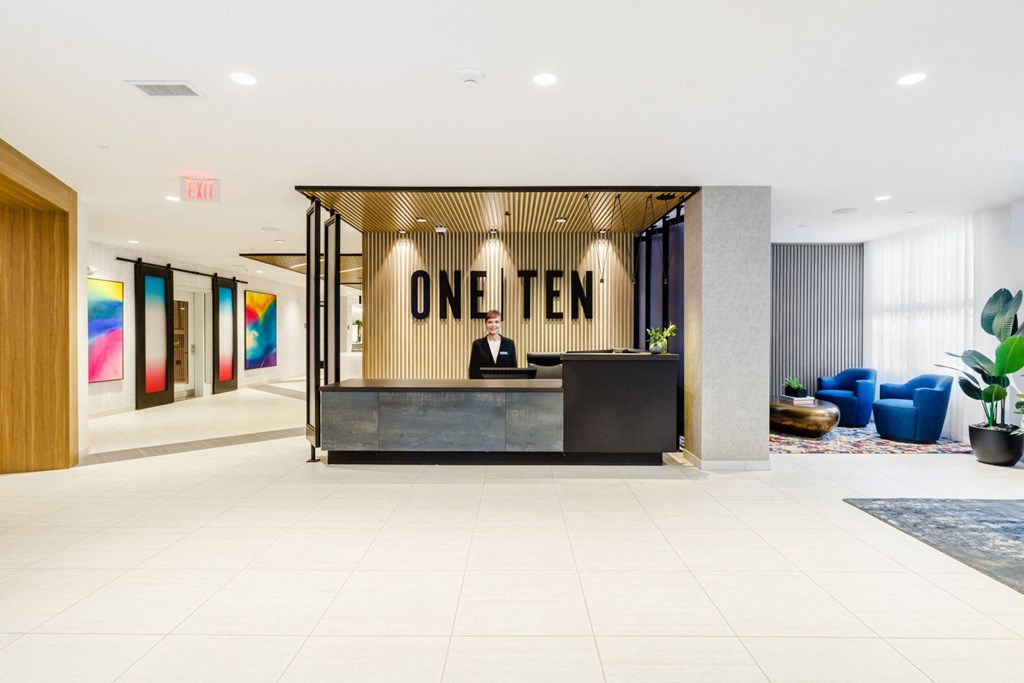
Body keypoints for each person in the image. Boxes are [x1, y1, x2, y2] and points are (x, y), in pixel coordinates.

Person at [468, 309, 518, 379]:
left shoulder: (509, 344)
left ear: (501, 324)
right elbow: (473, 371)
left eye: (496, 322)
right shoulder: (477, 344)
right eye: (490, 322)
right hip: (483, 387)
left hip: (505, 387)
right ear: (485, 324)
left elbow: (513, 370)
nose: (493, 325)